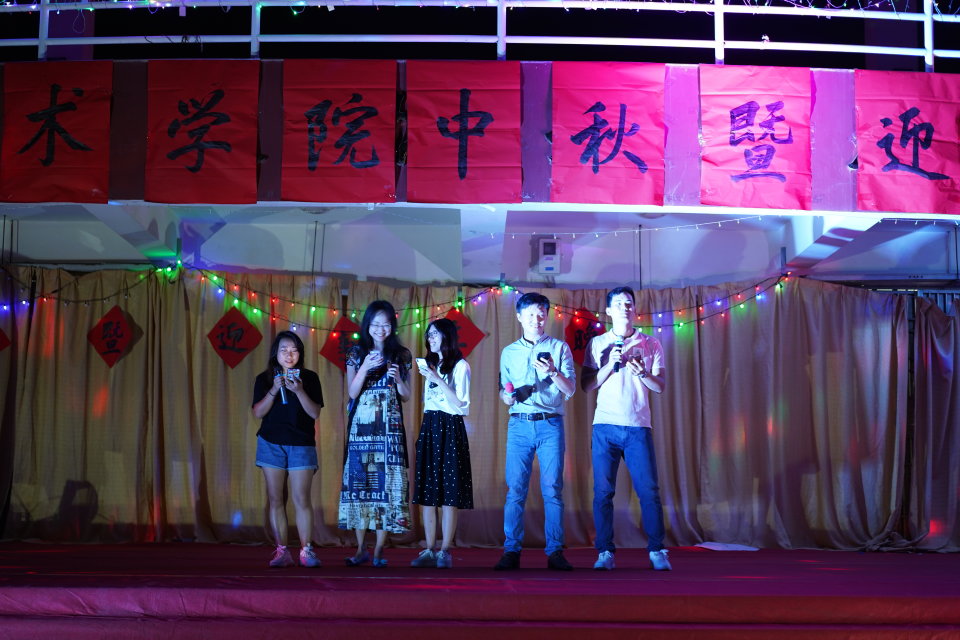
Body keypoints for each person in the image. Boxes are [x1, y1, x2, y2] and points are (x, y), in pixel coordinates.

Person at [581, 286, 671, 571]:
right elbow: (587, 385)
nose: (625, 307)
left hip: (637, 427)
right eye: (618, 303)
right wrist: (610, 364)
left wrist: (643, 373)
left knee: (649, 491)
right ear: (608, 310)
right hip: (605, 426)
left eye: (629, 303)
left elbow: (660, 387)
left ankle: (657, 550)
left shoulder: (651, 343)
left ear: (635, 309)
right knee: (602, 493)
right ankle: (605, 552)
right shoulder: (597, 343)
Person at [494, 292, 576, 571]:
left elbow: (570, 389)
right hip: (519, 424)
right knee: (515, 489)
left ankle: (555, 551)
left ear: (547, 316)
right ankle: (511, 550)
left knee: (552, 489)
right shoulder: (508, 352)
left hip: (550, 424)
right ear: (519, 317)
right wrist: (507, 397)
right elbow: (503, 391)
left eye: (541, 314)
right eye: (530, 314)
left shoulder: (559, 348)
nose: (536, 319)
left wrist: (553, 372)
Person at [338, 300, 413, 567]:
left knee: (387, 485)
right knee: (360, 485)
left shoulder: (401, 355)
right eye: (376, 324)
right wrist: (365, 368)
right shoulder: (356, 353)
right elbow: (352, 392)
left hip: (390, 429)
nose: (381, 329)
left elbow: (406, 396)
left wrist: (399, 379)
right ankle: (361, 549)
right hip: (362, 428)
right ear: (367, 325)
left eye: (386, 324)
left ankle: (380, 549)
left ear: (392, 326)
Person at [252, 330, 324, 568]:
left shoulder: (309, 378)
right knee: (276, 498)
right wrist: (274, 389)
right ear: (276, 353)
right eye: (284, 350)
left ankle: (306, 550)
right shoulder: (264, 379)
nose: (289, 355)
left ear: (300, 353)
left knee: (301, 498)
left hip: (301, 443)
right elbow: (258, 412)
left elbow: (314, 413)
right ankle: (282, 550)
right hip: (270, 442)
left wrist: (299, 390)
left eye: (294, 350)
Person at [410, 318, 473, 569]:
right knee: (427, 493)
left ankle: (445, 550)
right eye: (429, 334)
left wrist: (437, 378)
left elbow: (461, 404)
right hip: (431, 424)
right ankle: (429, 549)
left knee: (449, 494)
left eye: (435, 334)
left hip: (451, 426)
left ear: (447, 336)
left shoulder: (461, 366)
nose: (431, 338)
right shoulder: (431, 365)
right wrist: (433, 375)